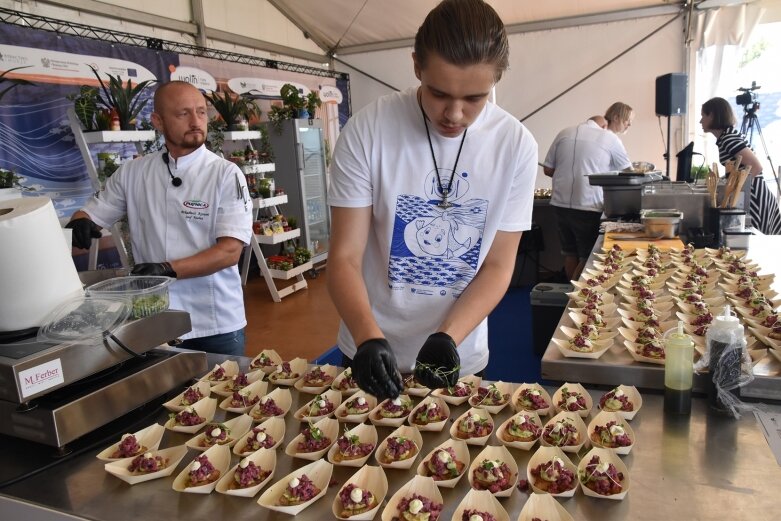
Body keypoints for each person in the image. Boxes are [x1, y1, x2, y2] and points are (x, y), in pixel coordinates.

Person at [327, 0, 538, 399]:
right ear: (416, 67)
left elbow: (496, 265)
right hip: (369, 342)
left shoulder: (515, 145)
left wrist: (449, 336)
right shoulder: (368, 130)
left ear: (496, 81)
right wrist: (369, 338)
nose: (454, 114)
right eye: (439, 93)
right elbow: (344, 258)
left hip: (459, 349)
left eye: (475, 98)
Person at [66, 81, 253, 355]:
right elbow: (93, 213)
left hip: (214, 321)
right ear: (158, 121)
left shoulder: (225, 174)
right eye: (183, 114)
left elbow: (228, 253)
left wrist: (166, 269)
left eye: (201, 112)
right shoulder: (133, 172)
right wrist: (82, 221)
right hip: (155, 319)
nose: (195, 121)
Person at [542, 112, 632, 280]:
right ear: (604, 126)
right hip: (587, 204)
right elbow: (628, 172)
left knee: (570, 253)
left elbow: (547, 169)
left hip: (559, 204)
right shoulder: (609, 138)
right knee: (587, 256)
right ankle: (578, 299)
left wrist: (566, 174)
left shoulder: (564, 133)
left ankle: (569, 296)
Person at [700, 97, 781, 235]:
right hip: (754, 196)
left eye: (703, 115)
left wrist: (734, 191)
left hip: (755, 198)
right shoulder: (727, 136)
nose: (701, 121)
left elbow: (756, 166)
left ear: (713, 115)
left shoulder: (728, 139)